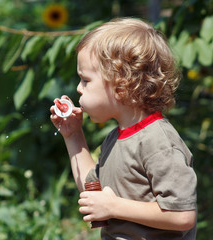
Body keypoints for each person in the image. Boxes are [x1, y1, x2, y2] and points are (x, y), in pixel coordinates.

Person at [50, 18, 197, 239]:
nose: (79, 89)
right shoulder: (116, 138)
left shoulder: (158, 142)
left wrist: (114, 207)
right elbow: (93, 191)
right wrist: (73, 135)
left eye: (86, 80)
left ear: (121, 86)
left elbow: (182, 215)